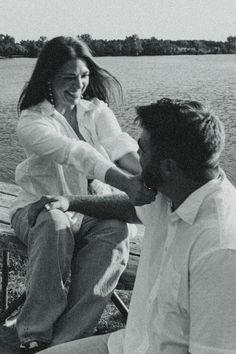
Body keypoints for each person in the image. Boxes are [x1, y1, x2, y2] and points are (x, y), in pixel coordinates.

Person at [36, 98, 236, 354]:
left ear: (167, 167)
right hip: (130, 343)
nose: (135, 156)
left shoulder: (220, 249)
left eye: (141, 150)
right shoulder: (176, 190)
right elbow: (132, 208)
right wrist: (71, 201)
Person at [9, 36, 156, 354]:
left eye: (84, 76)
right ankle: (34, 331)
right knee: (54, 222)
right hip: (35, 210)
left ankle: (66, 342)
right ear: (48, 77)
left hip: (88, 210)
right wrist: (127, 184)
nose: (79, 85)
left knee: (116, 230)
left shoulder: (96, 109)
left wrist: (149, 177)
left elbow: (119, 146)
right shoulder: (32, 121)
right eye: (68, 78)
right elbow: (76, 153)